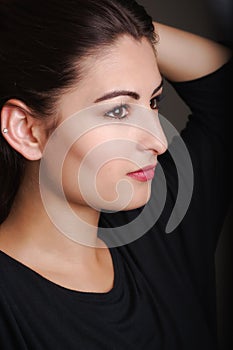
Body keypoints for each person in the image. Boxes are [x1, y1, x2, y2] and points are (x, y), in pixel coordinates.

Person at [0, 0, 232, 349]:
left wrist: (110, 22)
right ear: (26, 131)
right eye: (119, 110)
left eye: (153, 102)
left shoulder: (160, 225)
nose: (158, 141)